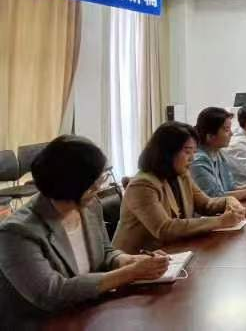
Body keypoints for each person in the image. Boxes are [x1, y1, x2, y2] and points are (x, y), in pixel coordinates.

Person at [0, 136, 170, 326]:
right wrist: (130, 273)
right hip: (47, 324)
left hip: (91, 314)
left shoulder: (90, 206)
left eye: (100, 179)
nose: (99, 188)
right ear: (70, 184)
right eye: (93, 183)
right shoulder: (15, 233)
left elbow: (105, 252)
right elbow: (53, 293)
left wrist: (126, 260)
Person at [113, 122, 246, 254]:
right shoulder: (142, 185)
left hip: (175, 252)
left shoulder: (181, 175)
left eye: (194, 152)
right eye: (187, 152)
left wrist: (229, 201)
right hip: (138, 260)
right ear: (167, 152)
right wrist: (220, 221)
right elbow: (164, 229)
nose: (192, 158)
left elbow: (206, 204)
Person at [191, 107, 246, 199]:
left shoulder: (219, 153)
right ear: (210, 136)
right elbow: (216, 197)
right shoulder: (199, 160)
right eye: (227, 130)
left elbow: (230, 188)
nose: (231, 134)